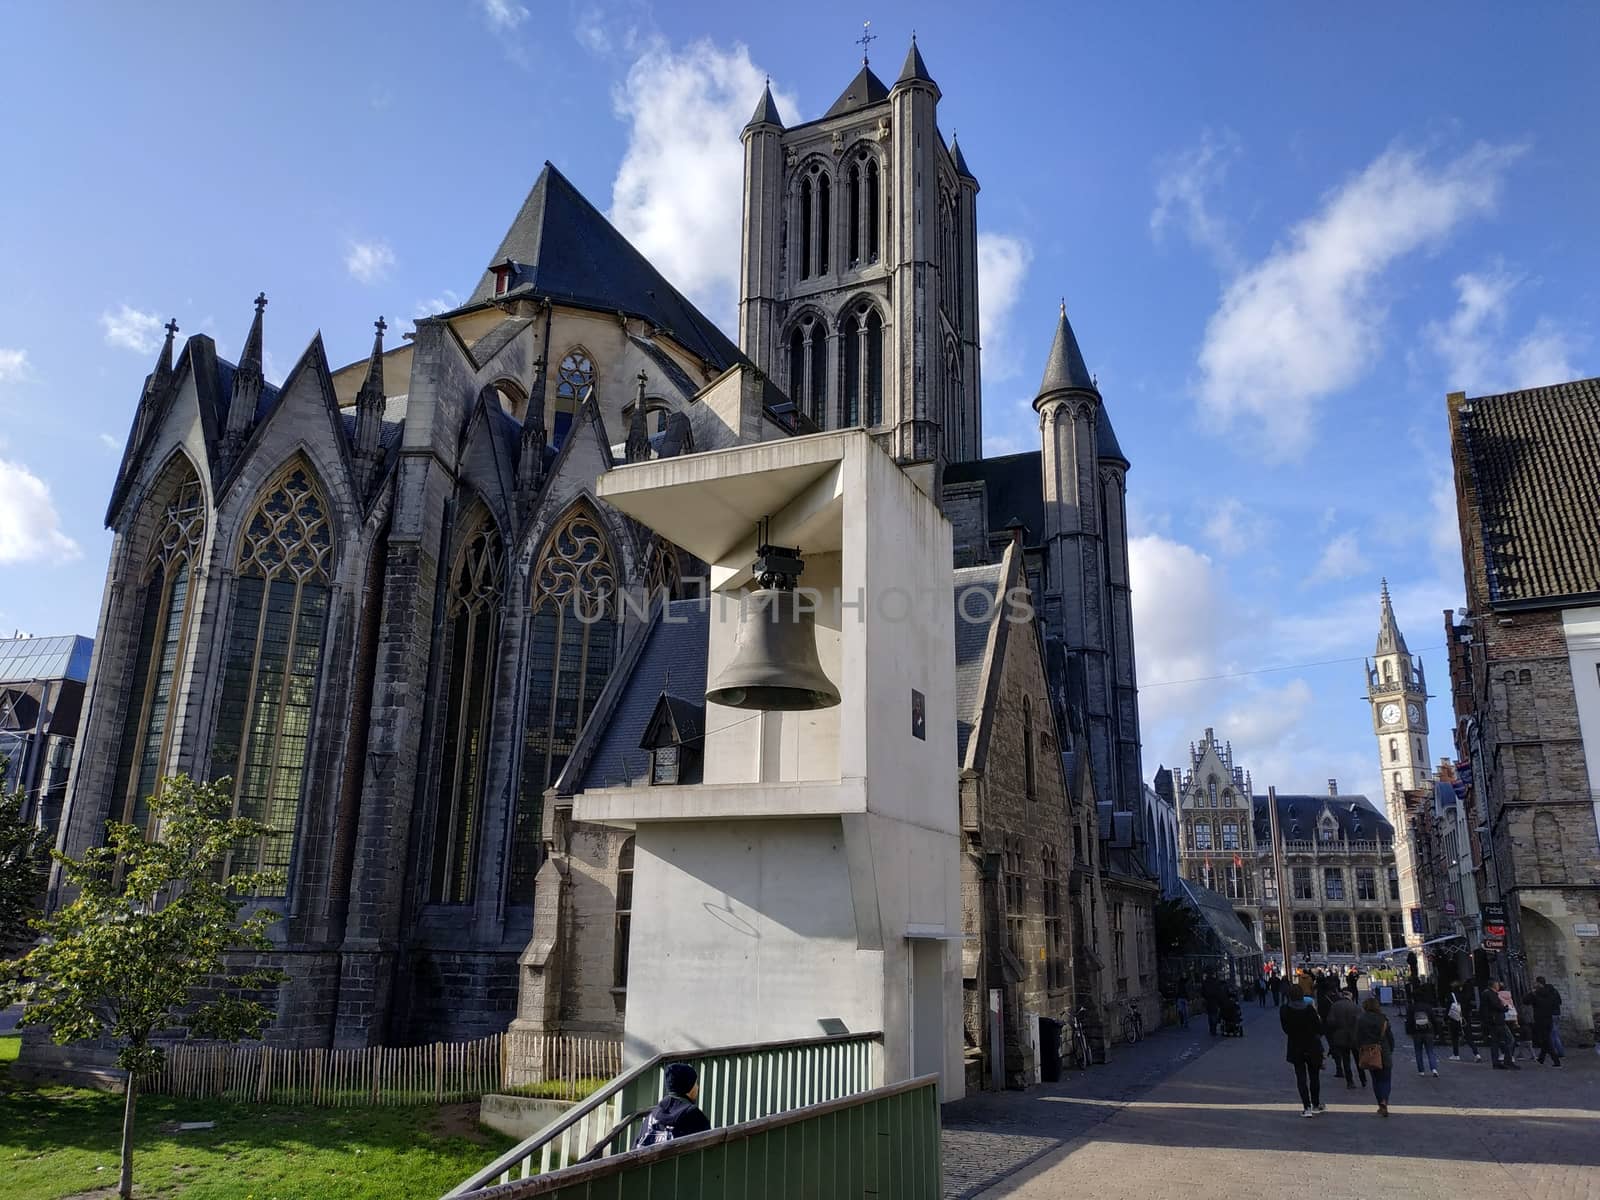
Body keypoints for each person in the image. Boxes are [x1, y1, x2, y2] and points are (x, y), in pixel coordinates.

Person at [633, 1062, 711, 1147]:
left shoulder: (652, 1115)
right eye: (696, 1083)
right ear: (689, 1086)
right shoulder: (695, 1116)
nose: (697, 1087)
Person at [1281, 992, 1327, 1117]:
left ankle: (1306, 1107)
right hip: (1312, 1047)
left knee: (1301, 1078)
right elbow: (1320, 1029)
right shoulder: (1310, 1009)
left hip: (1295, 1047)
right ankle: (1316, 1105)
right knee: (1314, 1077)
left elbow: (1285, 1029)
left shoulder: (1285, 1010)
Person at [1356, 997, 1396, 1116]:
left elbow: (1357, 1037)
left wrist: (1360, 1048)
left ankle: (1380, 1103)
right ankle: (1384, 1100)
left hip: (1369, 1052)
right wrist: (1390, 1049)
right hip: (1384, 1051)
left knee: (1376, 1079)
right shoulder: (1383, 1019)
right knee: (1386, 1079)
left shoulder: (1361, 1019)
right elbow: (1390, 1037)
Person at [1325, 991, 1365, 1088]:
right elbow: (1362, 1023)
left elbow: (1330, 1021)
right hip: (1354, 1036)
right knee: (1358, 1059)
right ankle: (1363, 1078)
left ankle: (1350, 1081)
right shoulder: (1356, 1007)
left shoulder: (1335, 1006)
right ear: (1350, 996)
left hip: (1340, 1036)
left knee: (1345, 1059)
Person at [1479, 980, 1519, 1070]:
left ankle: (1496, 1063)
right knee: (1510, 1039)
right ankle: (1508, 1060)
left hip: (1492, 1021)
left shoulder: (1486, 994)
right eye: (1497, 984)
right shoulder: (1491, 994)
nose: (1498, 986)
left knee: (1495, 1042)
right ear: (1493, 985)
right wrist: (1505, 1008)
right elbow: (1496, 1005)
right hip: (1497, 1020)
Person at [1405, 985, 1441, 1077]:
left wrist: (1409, 1032)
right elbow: (1434, 1019)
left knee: (1418, 1051)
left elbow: (1409, 1021)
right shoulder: (1428, 1007)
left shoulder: (1411, 1008)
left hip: (1416, 1032)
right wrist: (1437, 1032)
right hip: (1429, 1031)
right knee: (1430, 1051)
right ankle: (1434, 1069)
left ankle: (1421, 1071)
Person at [1530, 976, 1564, 1067]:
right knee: (1552, 1035)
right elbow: (1559, 1001)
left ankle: (1556, 1057)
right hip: (1555, 1013)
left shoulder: (1540, 993)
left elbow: (1527, 1000)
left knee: (1549, 1037)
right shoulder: (1554, 991)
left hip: (1547, 1016)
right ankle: (1543, 1057)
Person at [1446, 983, 1482, 1063]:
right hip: (1465, 1019)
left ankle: (1456, 1054)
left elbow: (1448, 1008)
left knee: (1454, 1037)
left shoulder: (1451, 996)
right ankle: (1476, 1054)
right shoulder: (1465, 996)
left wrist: (1446, 1018)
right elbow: (1469, 1007)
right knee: (1469, 1037)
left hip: (1454, 1019)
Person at [1202, 973, 1224, 1037]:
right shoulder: (1215, 982)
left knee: (1210, 1015)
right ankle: (1213, 1029)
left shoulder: (1205, 982)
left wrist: (1205, 997)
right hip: (1214, 1000)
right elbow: (1219, 991)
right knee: (1214, 1014)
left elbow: (1203, 992)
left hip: (1208, 1000)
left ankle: (1211, 1028)